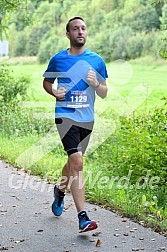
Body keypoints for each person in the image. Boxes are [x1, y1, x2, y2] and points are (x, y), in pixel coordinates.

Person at [43, 16, 108, 233]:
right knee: (78, 162)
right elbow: (47, 81)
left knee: (73, 164)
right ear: (68, 34)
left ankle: (60, 190)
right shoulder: (58, 59)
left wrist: (96, 83)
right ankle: (83, 217)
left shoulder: (96, 60)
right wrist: (54, 92)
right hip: (65, 116)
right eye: (75, 29)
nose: (80, 32)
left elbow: (104, 92)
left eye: (83, 28)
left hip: (87, 119)